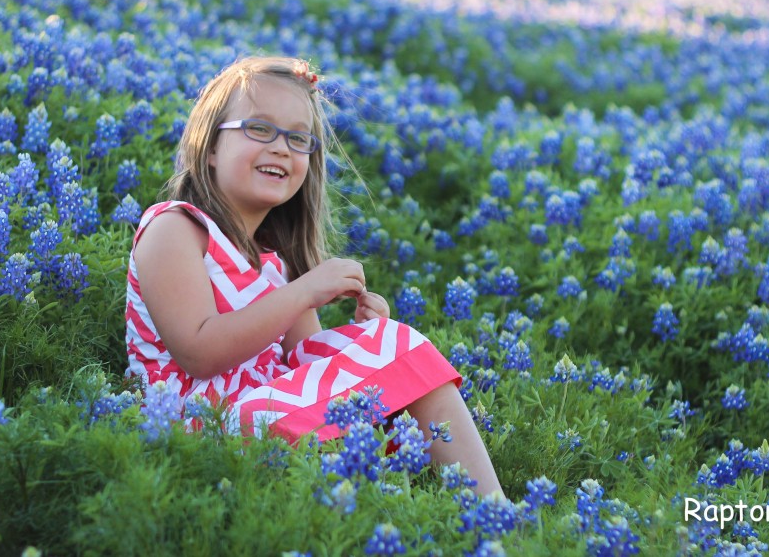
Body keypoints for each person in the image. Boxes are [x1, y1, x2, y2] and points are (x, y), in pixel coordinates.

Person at [125, 55, 502, 495]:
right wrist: (304, 292)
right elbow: (199, 352)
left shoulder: (275, 262)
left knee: (396, 351)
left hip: (271, 418)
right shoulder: (176, 228)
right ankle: (488, 514)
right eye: (259, 129)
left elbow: (305, 357)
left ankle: (495, 516)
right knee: (397, 351)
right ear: (210, 147)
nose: (281, 147)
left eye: (298, 138)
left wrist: (368, 338)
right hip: (195, 429)